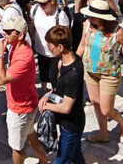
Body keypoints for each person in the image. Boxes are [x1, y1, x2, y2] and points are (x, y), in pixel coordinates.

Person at [76, 0, 123, 143]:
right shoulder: (87, 25)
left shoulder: (118, 33)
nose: (89, 18)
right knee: (96, 104)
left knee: (107, 109)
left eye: (92, 16)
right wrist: (72, 64)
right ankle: (103, 133)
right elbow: (82, 46)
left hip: (109, 75)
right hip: (90, 72)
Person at [0, 17, 49, 164]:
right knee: (31, 136)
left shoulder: (24, 57)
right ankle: (45, 161)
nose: (4, 33)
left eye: (8, 31)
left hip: (20, 108)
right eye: (4, 30)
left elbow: (1, 80)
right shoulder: (16, 46)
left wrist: (0, 54)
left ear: (19, 35)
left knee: (17, 147)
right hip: (27, 103)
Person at [38, 26, 86, 164]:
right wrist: (47, 95)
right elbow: (59, 88)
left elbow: (66, 107)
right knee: (76, 155)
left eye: (50, 46)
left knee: (62, 160)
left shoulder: (73, 74)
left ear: (60, 47)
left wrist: (46, 106)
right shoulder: (63, 60)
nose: (48, 49)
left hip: (71, 124)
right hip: (66, 121)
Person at [30, 0, 70, 91]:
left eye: (43, 3)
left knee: (54, 76)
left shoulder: (60, 15)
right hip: (40, 49)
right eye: (39, 3)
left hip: (55, 53)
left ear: (52, 2)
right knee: (43, 73)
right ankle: (43, 91)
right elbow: (32, 27)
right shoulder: (35, 9)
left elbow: (67, 37)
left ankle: (56, 94)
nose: (40, 6)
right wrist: (32, 43)